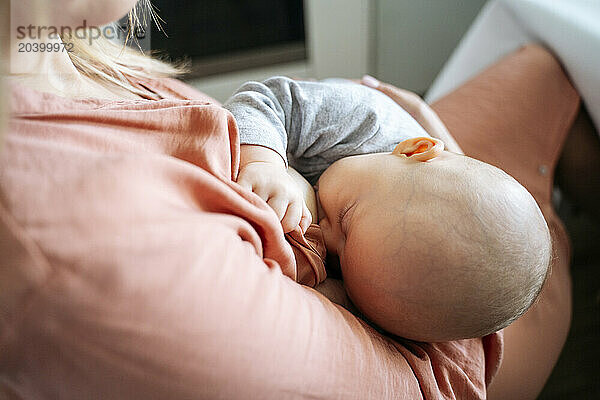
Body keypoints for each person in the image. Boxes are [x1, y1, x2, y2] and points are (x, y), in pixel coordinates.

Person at [0, 1, 578, 398]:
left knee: (547, 84)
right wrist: (269, 161)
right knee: (547, 82)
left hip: (444, 287)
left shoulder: (51, 43)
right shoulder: (72, 256)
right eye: (341, 227)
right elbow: (432, 379)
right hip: (466, 359)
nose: (324, 234)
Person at [224, 77, 551, 342]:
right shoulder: (361, 119)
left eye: (341, 260)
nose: (325, 237)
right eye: (346, 218)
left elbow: (350, 306)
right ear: (413, 150)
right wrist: (265, 163)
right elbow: (265, 98)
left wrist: (336, 292)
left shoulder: (396, 279)